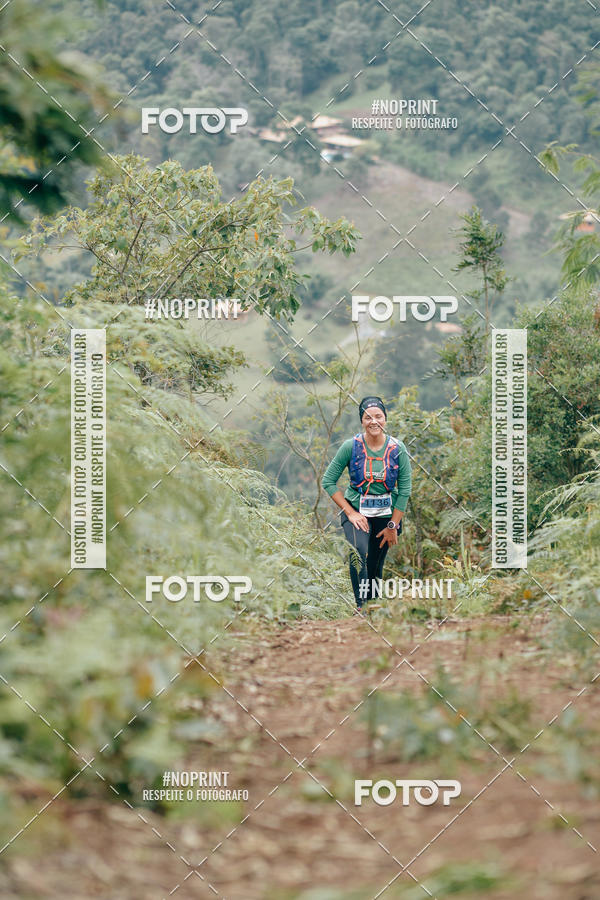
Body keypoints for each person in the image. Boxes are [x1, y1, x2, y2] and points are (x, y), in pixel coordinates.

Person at [322, 397, 412, 611]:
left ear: (385, 419)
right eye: (367, 417)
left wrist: (393, 526)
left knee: (375, 565)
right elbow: (328, 481)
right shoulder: (350, 447)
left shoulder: (398, 448)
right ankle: (361, 607)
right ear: (361, 421)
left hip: (387, 515)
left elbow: (405, 490)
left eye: (378, 416)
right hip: (356, 511)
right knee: (359, 553)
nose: (373, 421)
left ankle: (374, 608)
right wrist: (351, 513)